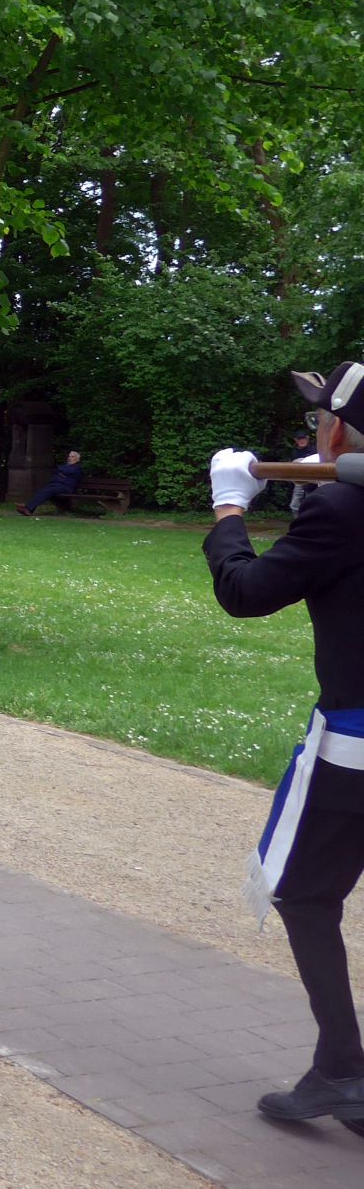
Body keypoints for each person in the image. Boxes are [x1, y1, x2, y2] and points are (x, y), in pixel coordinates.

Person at [205, 362, 364, 1129]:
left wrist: (229, 507)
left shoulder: (342, 507)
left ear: (339, 431)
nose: (313, 432)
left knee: (304, 895)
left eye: (319, 420)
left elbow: (247, 592)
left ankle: (341, 1070)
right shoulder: (338, 500)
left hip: (356, 748)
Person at [18, 450, 84, 517]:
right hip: (57, 485)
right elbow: (57, 470)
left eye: (72, 456)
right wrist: (62, 473)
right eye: (69, 456)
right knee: (43, 490)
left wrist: (61, 472)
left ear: (77, 459)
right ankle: (29, 509)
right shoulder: (65, 466)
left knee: (49, 490)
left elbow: (65, 470)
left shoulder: (77, 467)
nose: (70, 458)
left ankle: (28, 508)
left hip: (66, 488)